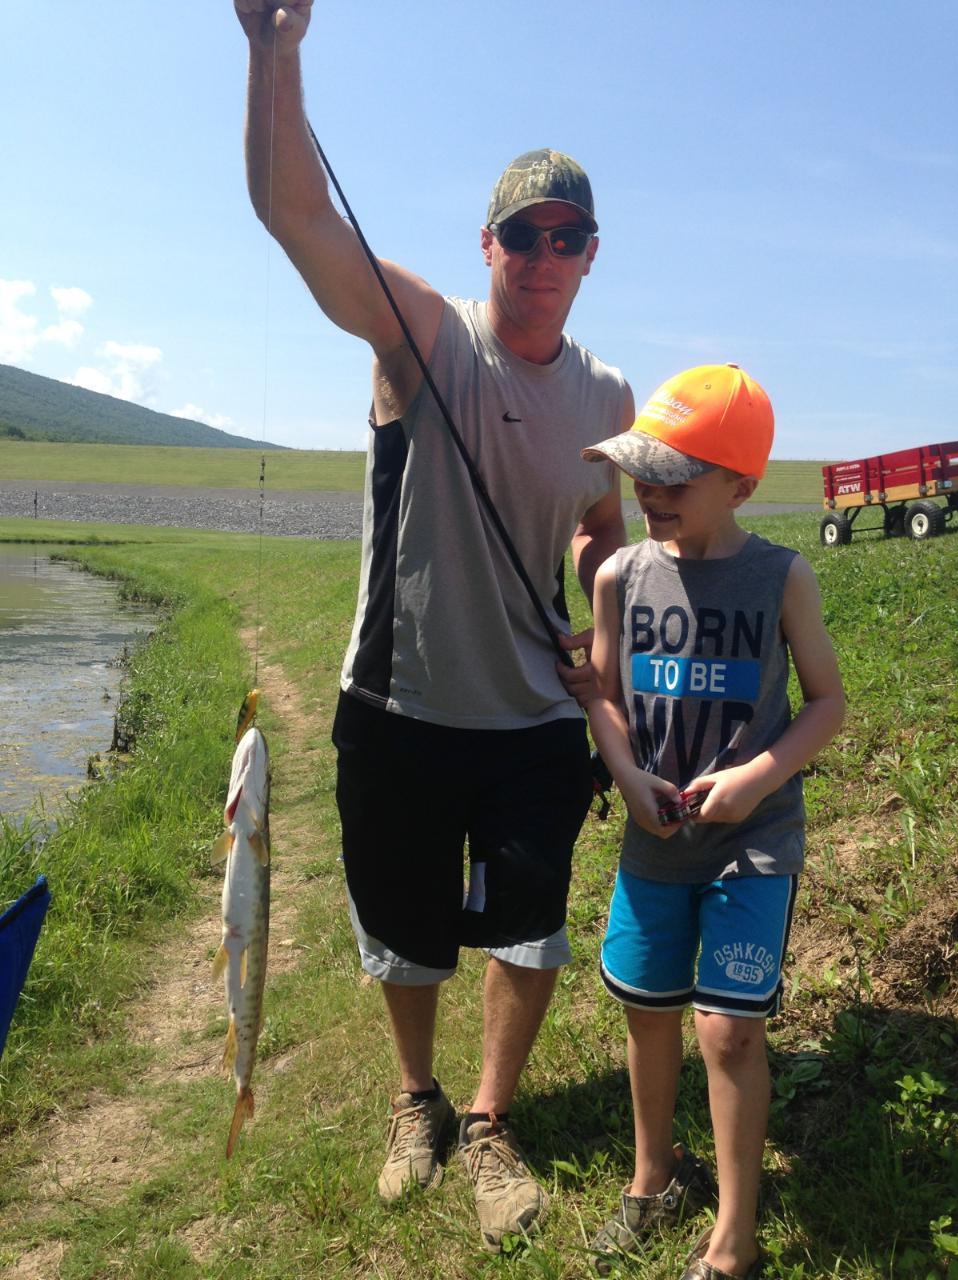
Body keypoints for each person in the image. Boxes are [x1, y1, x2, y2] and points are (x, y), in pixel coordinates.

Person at [234, 0, 634, 1252]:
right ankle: (417, 1101)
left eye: (569, 235)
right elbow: (298, 217)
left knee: (533, 923)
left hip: (528, 712)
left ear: (590, 253)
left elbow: (595, 523)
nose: (546, 252)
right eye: (526, 231)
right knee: (401, 924)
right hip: (398, 703)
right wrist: (274, 52)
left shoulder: (608, 394)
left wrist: (599, 602)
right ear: (491, 243)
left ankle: (493, 1117)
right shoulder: (422, 336)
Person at [580, 364, 845, 1279]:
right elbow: (607, 698)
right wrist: (624, 774)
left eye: (673, 473)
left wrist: (754, 777)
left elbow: (826, 706)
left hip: (753, 838)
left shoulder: (782, 577)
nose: (648, 490)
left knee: (727, 1031)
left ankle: (733, 1240)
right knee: (648, 1012)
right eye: (639, 471)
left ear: (739, 484)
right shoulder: (619, 575)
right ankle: (654, 1180)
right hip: (654, 838)